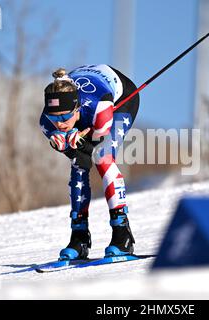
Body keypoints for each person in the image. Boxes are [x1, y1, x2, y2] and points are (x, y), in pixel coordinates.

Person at [39, 65, 139, 260]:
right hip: (88, 94)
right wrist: (65, 145)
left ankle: (122, 234)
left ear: (77, 108)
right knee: (78, 164)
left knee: (103, 157)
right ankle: (79, 237)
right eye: (55, 118)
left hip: (121, 97)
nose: (60, 123)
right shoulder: (45, 122)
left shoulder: (98, 106)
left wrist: (78, 141)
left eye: (66, 116)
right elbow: (79, 156)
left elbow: (97, 140)